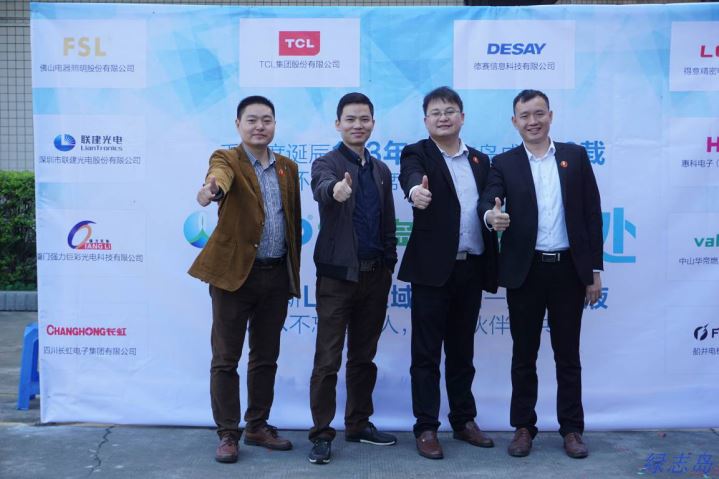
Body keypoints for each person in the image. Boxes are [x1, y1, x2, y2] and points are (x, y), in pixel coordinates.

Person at [480, 89, 603, 459]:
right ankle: (523, 427)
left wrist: (593, 271)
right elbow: (489, 199)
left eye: (539, 113)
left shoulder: (574, 156)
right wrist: (491, 216)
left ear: (551, 115)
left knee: (568, 355)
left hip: (569, 270)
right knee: (524, 354)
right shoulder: (504, 163)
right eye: (525, 115)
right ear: (514, 121)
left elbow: (592, 214)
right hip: (526, 271)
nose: (532, 121)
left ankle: (572, 429)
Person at [188, 95, 302, 463]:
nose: (259, 126)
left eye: (266, 120)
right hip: (234, 277)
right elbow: (218, 178)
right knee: (226, 358)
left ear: (275, 124)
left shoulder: (287, 168)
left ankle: (257, 425)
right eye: (252, 120)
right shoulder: (227, 159)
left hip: (275, 274)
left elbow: (292, 222)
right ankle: (227, 432)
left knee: (266, 357)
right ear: (238, 124)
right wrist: (211, 190)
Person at [398, 86, 499, 460]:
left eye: (450, 111)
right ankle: (426, 427)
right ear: (426, 120)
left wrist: (492, 215)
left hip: (470, 267)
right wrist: (415, 193)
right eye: (436, 112)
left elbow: (487, 202)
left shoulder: (481, 160)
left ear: (462, 117)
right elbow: (411, 177)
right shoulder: (417, 153)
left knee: (462, 351)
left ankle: (463, 420)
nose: (443, 117)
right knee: (425, 354)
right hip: (431, 272)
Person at [306, 92, 398, 465]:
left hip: (375, 278)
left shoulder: (381, 171)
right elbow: (322, 187)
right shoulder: (326, 163)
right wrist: (336, 190)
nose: (358, 125)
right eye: (350, 119)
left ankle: (358, 423)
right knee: (328, 360)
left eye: (364, 119)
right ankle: (321, 434)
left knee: (364, 357)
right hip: (337, 279)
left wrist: (389, 263)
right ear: (338, 124)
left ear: (372, 123)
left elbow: (388, 222)